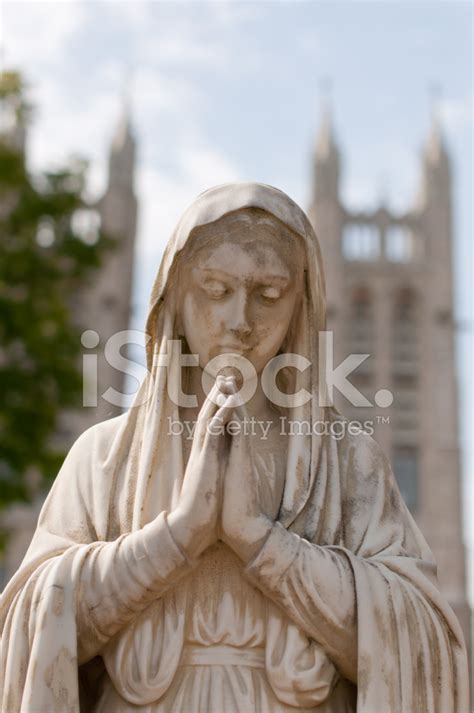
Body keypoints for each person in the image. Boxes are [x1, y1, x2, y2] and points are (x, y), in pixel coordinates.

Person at [0, 183, 468, 712]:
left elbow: (421, 635)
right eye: (216, 289)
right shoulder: (103, 457)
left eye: (269, 295)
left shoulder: (350, 462)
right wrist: (178, 536)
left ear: (303, 304)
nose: (240, 322)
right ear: (175, 294)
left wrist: (258, 541)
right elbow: (34, 619)